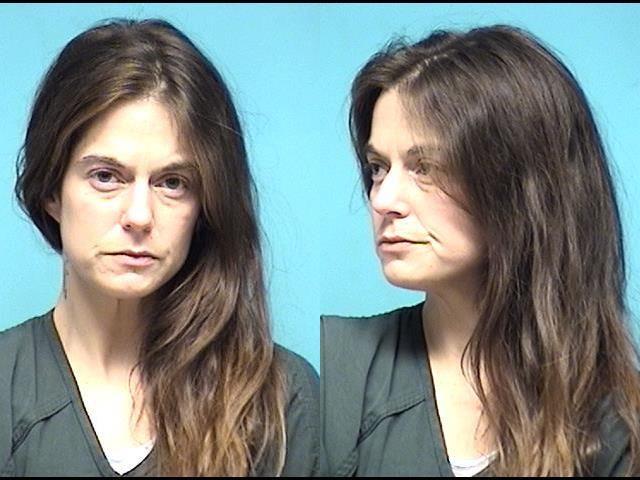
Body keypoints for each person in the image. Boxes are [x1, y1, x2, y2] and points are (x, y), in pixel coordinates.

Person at [1, 18, 318, 477]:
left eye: (172, 183)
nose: (139, 216)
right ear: (51, 190)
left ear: (205, 204)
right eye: (106, 176)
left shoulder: (281, 401)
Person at [321, 24, 640, 476]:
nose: (382, 200)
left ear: (521, 187)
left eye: (425, 167)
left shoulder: (617, 425)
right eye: (378, 167)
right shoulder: (335, 374)